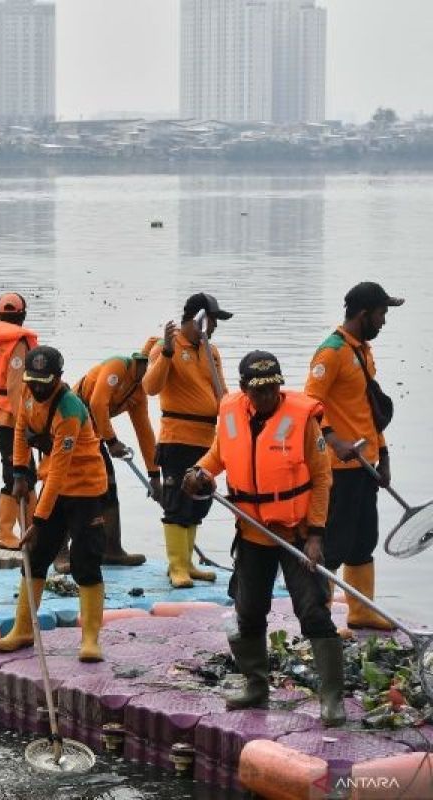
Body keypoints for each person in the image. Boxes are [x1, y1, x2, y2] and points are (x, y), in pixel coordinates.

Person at [183, 352, 345, 726]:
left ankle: (332, 698)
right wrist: (200, 472)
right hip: (252, 531)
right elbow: (218, 455)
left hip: (297, 532)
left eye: (273, 387)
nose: (268, 396)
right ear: (244, 391)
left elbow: (322, 479)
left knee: (314, 612)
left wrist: (317, 535)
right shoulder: (230, 412)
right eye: (259, 391)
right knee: (249, 611)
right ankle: (256, 685)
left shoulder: (302, 419)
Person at [0, 346, 109, 661]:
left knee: (86, 563)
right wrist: (19, 472)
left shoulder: (69, 409)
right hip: (54, 489)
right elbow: (20, 430)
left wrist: (38, 521)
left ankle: (90, 638)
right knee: (36, 555)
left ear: (58, 377)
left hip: (84, 489)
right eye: (33, 381)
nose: (38, 387)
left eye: (44, 382)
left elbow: (59, 470)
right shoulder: (28, 393)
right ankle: (23, 629)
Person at [304, 282, 404, 630]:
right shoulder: (330, 352)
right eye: (381, 314)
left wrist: (385, 454)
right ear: (364, 314)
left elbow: (369, 410)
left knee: (364, 540)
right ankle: (321, 616)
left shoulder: (362, 351)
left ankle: (360, 611)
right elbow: (309, 404)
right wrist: (333, 440)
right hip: (339, 467)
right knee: (333, 544)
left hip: (366, 465)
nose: (384, 321)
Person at [143, 293, 231, 588]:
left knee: (198, 501)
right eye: (213, 320)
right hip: (177, 437)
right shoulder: (165, 346)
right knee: (177, 503)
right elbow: (150, 387)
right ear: (199, 319)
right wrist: (167, 352)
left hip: (207, 438)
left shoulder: (211, 351)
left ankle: (189, 563)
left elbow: (223, 394)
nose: (216, 326)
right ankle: (176, 566)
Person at [74, 348, 160, 566]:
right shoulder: (117, 367)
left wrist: (154, 475)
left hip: (95, 433)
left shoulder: (139, 393)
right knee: (70, 488)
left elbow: (145, 432)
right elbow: (96, 403)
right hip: (73, 427)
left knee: (109, 486)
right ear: (143, 364)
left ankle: (112, 549)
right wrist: (112, 441)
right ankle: (61, 552)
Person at [0, 292, 38, 550]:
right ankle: (6, 533)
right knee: (17, 474)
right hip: (11, 418)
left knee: (24, 473)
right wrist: (25, 423)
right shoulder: (18, 343)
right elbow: (16, 387)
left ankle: (29, 529)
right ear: (22, 316)